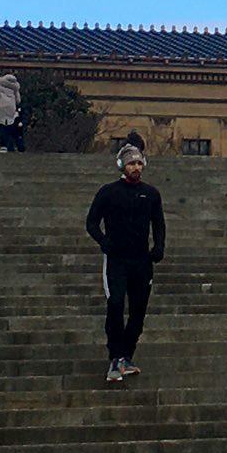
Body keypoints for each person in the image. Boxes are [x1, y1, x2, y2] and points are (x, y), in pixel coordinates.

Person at [86, 146, 165, 384]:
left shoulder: (151, 193)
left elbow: (159, 223)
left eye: (139, 164)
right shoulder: (108, 192)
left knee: (138, 311)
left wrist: (159, 247)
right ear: (122, 166)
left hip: (141, 260)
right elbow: (91, 223)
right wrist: (104, 242)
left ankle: (127, 356)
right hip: (117, 259)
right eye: (131, 164)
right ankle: (115, 356)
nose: (136, 168)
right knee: (116, 304)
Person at [0, 73, 22, 153]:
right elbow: (18, 100)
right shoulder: (15, 88)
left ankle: (4, 146)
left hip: (1, 107)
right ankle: (15, 145)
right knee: (10, 127)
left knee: (2, 127)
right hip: (11, 109)